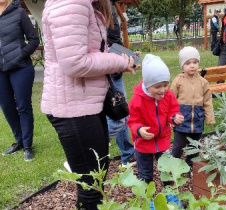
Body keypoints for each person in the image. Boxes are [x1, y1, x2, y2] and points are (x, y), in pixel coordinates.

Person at [41, 0, 136, 209]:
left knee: (96, 179)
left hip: (86, 103)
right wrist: (120, 62)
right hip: (73, 108)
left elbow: (94, 47)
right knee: (91, 188)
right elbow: (75, 63)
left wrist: (121, 56)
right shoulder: (72, 3)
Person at [127, 54, 184, 184]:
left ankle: (170, 195)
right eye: (157, 87)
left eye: (165, 85)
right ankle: (149, 199)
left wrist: (174, 117)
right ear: (147, 85)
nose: (162, 90)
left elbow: (172, 109)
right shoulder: (137, 100)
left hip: (162, 140)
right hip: (143, 144)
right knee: (145, 174)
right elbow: (132, 121)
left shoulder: (168, 95)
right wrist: (139, 130)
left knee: (167, 171)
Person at [1, 0, 39, 161]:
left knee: (23, 106)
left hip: (21, 68)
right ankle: (19, 141)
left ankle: (28, 145)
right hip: (1, 71)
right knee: (7, 106)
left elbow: (33, 39)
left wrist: (20, 55)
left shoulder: (18, 12)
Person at [170, 46, 215, 174]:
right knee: (178, 146)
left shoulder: (203, 82)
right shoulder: (178, 81)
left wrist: (209, 117)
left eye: (195, 62)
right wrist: (171, 116)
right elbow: (171, 100)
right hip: (181, 121)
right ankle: (174, 166)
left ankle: (190, 165)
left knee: (194, 146)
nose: (192, 66)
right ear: (182, 65)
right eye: (188, 63)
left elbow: (207, 100)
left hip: (197, 120)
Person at [106, 1, 135, 166]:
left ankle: (127, 155)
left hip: (114, 67)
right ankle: (96, 148)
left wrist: (126, 56)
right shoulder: (94, 7)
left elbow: (114, 40)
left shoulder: (109, 6)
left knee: (121, 112)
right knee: (118, 115)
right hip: (104, 68)